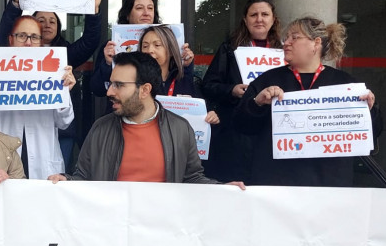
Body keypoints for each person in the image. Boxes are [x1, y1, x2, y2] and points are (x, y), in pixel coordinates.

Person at [49, 51, 242, 186]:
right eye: (111, 83)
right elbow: (83, 177)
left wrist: (222, 189)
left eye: (118, 85)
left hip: (162, 232)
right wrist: (67, 181)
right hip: (113, 231)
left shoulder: (180, 128)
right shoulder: (100, 128)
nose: (109, 91)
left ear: (145, 89)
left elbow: (192, 178)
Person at [232, 16, 381, 187]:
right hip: (276, 184)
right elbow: (240, 126)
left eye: (294, 37)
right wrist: (256, 104)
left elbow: (372, 133)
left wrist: (369, 110)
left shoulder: (345, 83)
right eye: (286, 38)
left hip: (328, 184)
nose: (286, 43)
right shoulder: (268, 80)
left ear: (316, 43)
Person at [201, 0, 282, 182]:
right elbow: (209, 85)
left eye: (265, 14)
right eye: (254, 15)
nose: (259, 19)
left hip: (272, 130)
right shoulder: (230, 49)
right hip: (235, 133)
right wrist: (232, 90)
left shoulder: (285, 50)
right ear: (245, 20)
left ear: (273, 19)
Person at [0, 15, 76, 179]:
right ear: (11, 40)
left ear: (41, 43)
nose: (28, 42)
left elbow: (64, 122)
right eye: (22, 36)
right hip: (6, 164)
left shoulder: (55, 72)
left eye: (34, 37)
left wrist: (64, 92)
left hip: (45, 164)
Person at [90, 0, 194, 100]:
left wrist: (186, 65)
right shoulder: (112, 47)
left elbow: (184, 88)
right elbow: (98, 89)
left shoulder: (168, 41)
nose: (146, 13)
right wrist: (107, 64)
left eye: (150, 8)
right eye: (139, 8)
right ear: (127, 14)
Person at [0, 0, 103, 68]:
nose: (47, 25)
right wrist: (18, 1)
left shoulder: (66, 53)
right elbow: (4, 37)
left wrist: (93, 9)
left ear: (58, 27)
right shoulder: (22, 47)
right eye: (41, 21)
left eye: (52, 22)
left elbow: (89, 42)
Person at [140, 24, 219, 124]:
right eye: (145, 46)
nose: (149, 50)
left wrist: (211, 116)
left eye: (157, 45)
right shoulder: (134, 82)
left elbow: (202, 115)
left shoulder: (186, 81)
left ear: (171, 50)